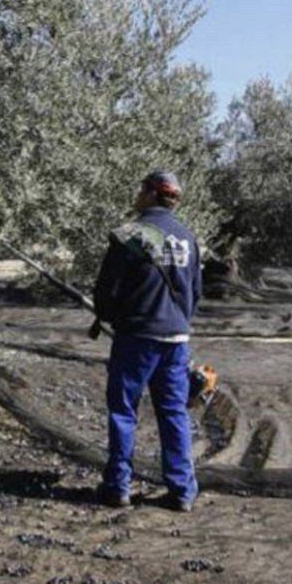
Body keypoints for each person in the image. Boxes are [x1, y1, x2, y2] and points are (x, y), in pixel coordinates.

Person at [92, 170, 202, 512]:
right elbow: (195, 294)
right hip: (176, 339)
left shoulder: (129, 235)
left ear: (153, 194)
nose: (137, 195)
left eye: (142, 189)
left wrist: (110, 316)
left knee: (124, 412)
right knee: (173, 414)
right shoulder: (188, 237)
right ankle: (182, 492)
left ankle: (118, 487)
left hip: (136, 338)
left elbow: (106, 291)